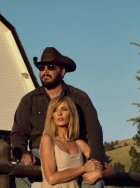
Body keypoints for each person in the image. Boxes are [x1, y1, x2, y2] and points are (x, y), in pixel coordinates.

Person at [11, 47, 109, 187]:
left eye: (51, 67)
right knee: (20, 173)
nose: (45, 71)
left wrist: (94, 161)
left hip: (73, 151)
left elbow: (94, 131)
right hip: (40, 153)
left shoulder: (79, 97)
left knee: (95, 181)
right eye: (41, 67)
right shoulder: (29, 100)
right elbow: (18, 132)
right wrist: (23, 153)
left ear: (62, 72)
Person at [40, 96, 115, 187]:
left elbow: (111, 170)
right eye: (55, 110)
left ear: (71, 113)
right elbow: (51, 178)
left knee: (98, 182)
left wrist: (100, 174)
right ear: (52, 116)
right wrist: (83, 168)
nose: (59, 113)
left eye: (64, 109)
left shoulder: (79, 144)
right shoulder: (48, 139)